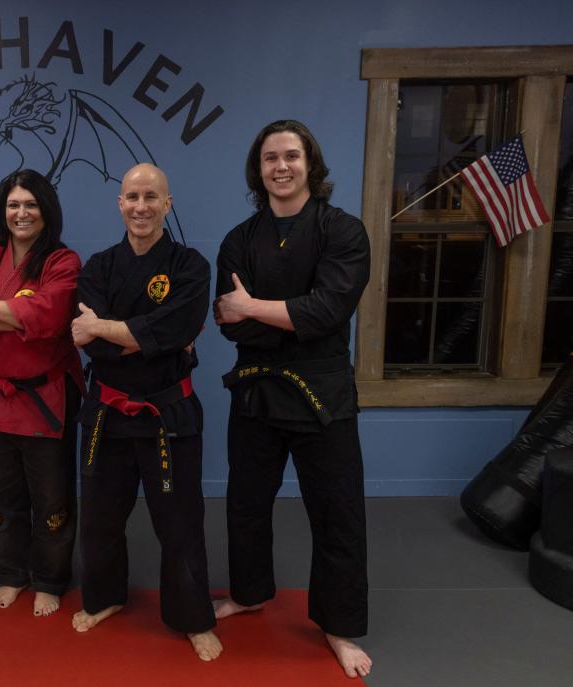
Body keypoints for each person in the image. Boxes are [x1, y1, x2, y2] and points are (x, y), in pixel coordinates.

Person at [212, 120, 372, 678]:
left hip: (322, 395)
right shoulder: (239, 239)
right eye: (269, 158)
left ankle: (339, 624)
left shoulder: (343, 232)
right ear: (258, 170)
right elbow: (229, 326)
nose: (281, 167)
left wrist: (256, 308)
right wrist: (280, 316)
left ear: (311, 164)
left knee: (337, 513)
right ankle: (250, 593)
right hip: (255, 392)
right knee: (246, 504)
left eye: (291, 156)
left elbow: (327, 312)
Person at [70, 163, 221, 661]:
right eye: (132, 196)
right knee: (99, 518)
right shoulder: (98, 267)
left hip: (167, 413)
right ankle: (106, 597)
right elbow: (91, 343)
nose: (141, 206)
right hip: (107, 414)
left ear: (167, 204)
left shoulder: (190, 267)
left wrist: (112, 330)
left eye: (151, 197)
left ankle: (193, 618)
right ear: (120, 204)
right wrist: (139, 336)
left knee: (180, 521)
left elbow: (176, 330)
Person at [0, 169, 83, 617]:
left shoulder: (62, 261)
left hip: (45, 398)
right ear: (1, 210)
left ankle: (49, 579)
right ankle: (12, 574)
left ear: (46, 210)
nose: (21, 213)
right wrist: (16, 316)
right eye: (13, 205)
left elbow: (52, 317)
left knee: (52, 497)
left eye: (30, 204)